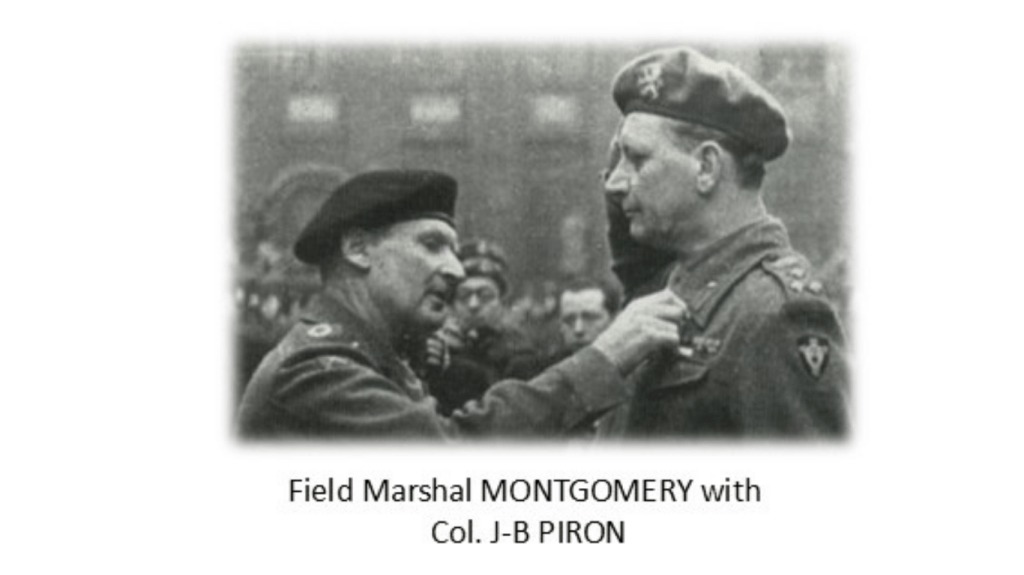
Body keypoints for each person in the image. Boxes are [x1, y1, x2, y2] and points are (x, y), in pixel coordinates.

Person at [236, 169, 688, 439]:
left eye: (453, 250)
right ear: (357, 249)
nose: (455, 270)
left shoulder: (365, 356)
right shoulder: (317, 371)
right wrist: (603, 358)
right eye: (431, 244)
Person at [598, 46, 849, 438]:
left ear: (707, 167)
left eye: (637, 159)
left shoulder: (777, 315)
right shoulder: (670, 283)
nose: (614, 182)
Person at [426, 239, 538, 416]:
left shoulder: (520, 352)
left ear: (502, 302)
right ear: (452, 303)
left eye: (485, 296)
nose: (473, 305)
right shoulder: (436, 345)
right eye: (464, 295)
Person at [506, 277, 621, 380]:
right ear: (560, 325)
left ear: (614, 320)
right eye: (569, 320)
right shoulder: (537, 374)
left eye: (590, 318)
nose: (578, 329)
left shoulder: (627, 372)